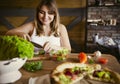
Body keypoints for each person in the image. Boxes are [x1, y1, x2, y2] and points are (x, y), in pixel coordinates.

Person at [6, 0, 71, 53]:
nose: (45, 17)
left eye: (50, 13)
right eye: (42, 12)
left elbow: (68, 50)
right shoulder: (31, 26)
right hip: (34, 62)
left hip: (55, 62)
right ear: (37, 13)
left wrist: (55, 47)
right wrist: (20, 33)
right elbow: (8, 33)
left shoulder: (61, 28)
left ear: (55, 14)